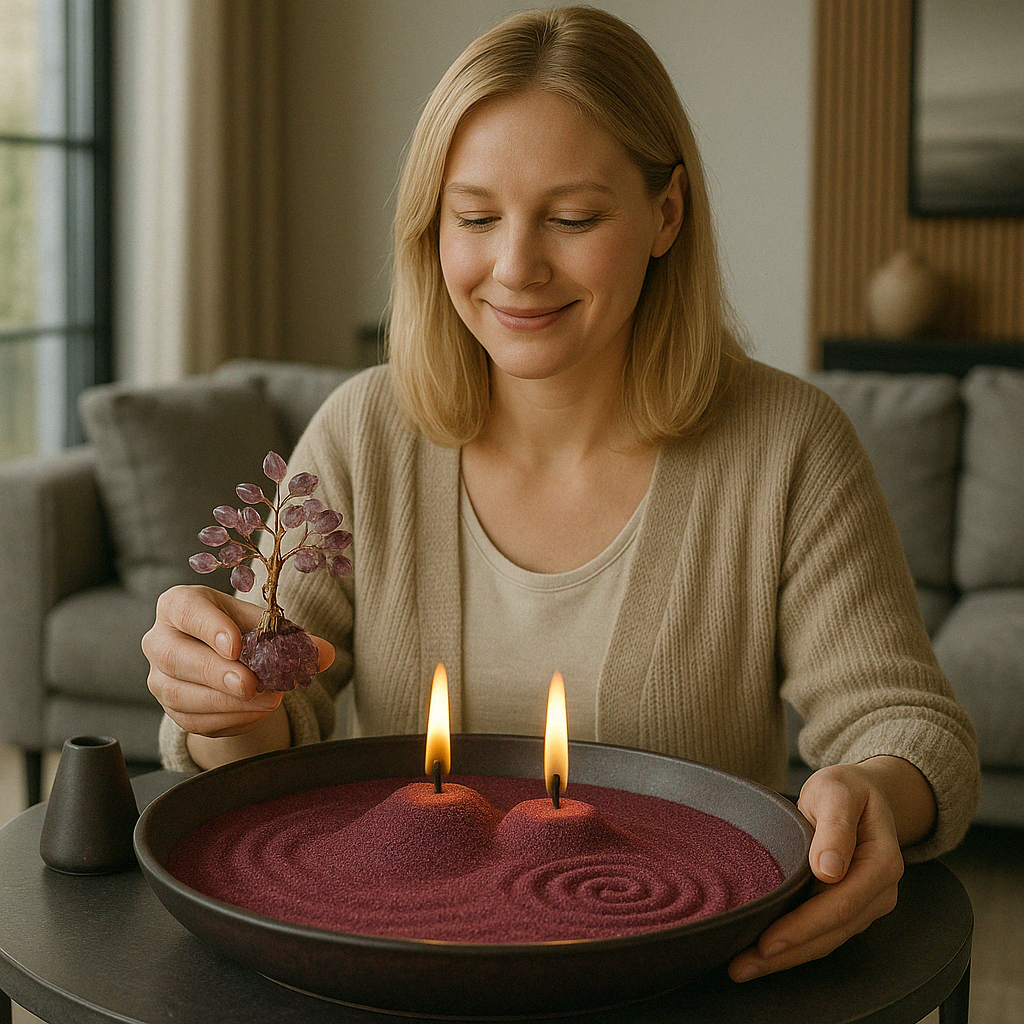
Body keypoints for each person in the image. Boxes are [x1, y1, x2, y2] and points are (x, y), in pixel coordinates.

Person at [142, 5, 979, 985]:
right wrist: (223, 696)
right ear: (431, 227)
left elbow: (908, 725)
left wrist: (875, 788)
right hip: (400, 976)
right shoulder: (364, 432)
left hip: (673, 989)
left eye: (573, 218)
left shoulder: (790, 445)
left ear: (667, 213)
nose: (515, 268)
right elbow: (272, 740)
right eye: (476, 217)